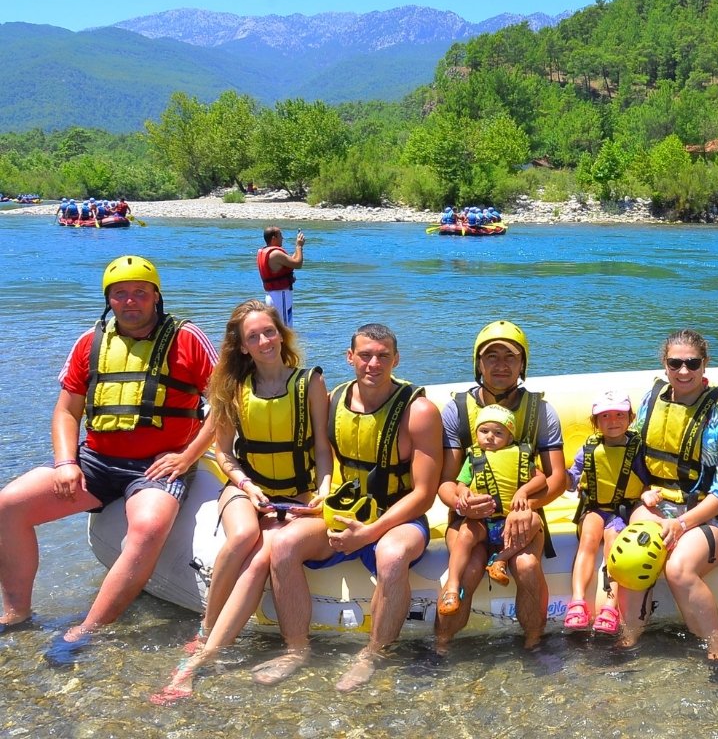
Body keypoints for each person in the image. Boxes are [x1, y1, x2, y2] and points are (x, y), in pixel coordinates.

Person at [0, 256, 216, 664]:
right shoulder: (90, 342)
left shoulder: (188, 338)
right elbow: (67, 412)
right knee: (9, 504)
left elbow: (225, 404)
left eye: (140, 292)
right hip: (97, 462)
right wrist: (66, 462)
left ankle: (88, 628)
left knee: (149, 526)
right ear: (108, 299)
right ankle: (16, 614)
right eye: (120, 294)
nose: (130, 301)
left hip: (157, 465)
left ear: (156, 296)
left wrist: (187, 455)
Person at [151, 299, 332, 704]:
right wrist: (247, 486)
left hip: (298, 492)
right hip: (245, 487)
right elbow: (224, 453)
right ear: (243, 346)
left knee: (259, 561)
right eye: (254, 336)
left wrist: (322, 489)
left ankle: (199, 660)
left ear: (280, 335)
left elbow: (322, 447)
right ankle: (207, 629)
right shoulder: (233, 388)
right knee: (243, 537)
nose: (264, 341)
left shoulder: (310, 383)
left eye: (269, 332)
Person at [248, 324, 443, 691]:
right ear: (350, 357)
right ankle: (295, 649)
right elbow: (320, 459)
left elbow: (424, 494)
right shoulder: (335, 400)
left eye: (383, 356)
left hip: (398, 516)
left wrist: (369, 533)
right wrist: (315, 501)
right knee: (284, 545)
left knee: (392, 557)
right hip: (346, 510)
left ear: (396, 360)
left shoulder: (418, 411)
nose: (374, 364)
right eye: (365, 355)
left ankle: (373, 654)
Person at [614, 329, 718, 666]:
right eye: (675, 363)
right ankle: (629, 639)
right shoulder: (651, 400)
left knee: (678, 569)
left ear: (705, 364)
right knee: (632, 557)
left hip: (711, 513)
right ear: (665, 364)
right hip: (659, 503)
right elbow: (636, 453)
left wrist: (683, 523)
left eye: (692, 363)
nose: (683, 371)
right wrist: (644, 490)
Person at [435, 320, 566, 651]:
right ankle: (442, 645)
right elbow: (446, 482)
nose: (501, 365)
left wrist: (526, 507)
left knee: (527, 565)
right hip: (471, 520)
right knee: (470, 569)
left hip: (522, 517)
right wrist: (461, 502)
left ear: (523, 364)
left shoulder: (541, 412)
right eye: (491, 357)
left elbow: (556, 478)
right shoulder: (457, 411)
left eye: (510, 357)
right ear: (478, 363)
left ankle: (534, 643)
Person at [439, 405, 546, 614]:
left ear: (510, 437)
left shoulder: (521, 456)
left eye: (498, 433)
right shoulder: (473, 458)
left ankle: (500, 559)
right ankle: (452, 586)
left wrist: (523, 491)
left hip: (510, 524)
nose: (490, 437)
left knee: (534, 521)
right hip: (482, 522)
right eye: (484, 431)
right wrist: (463, 494)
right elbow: (461, 483)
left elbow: (541, 479)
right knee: (465, 534)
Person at [563, 390, 652, 635]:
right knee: (589, 538)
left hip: (622, 513)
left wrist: (647, 493)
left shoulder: (637, 450)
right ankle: (578, 601)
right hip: (595, 508)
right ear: (596, 422)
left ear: (630, 418)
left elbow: (649, 479)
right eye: (605, 416)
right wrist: (561, 476)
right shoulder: (589, 448)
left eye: (619, 415)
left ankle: (610, 606)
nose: (613, 421)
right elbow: (572, 478)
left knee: (614, 543)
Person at [256, 227, 305, 325]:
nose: (282, 238)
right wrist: (299, 246)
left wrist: (297, 247)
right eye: (280, 235)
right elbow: (298, 264)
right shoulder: (276, 254)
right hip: (281, 296)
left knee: (278, 326)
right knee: (285, 327)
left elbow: (291, 263)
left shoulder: (267, 252)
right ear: (273, 238)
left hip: (272, 296)